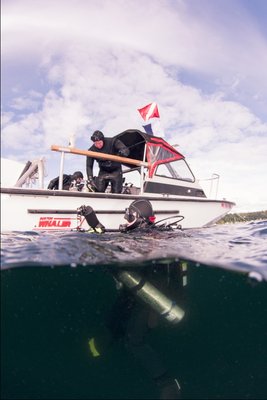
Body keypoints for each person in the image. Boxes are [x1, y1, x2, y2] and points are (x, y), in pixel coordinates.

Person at [77, 199, 156, 233]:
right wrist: (95, 223)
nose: (126, 220)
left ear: (140, 218)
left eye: (130, 216)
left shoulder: (146, 236)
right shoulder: (137, 232)